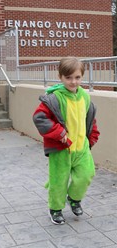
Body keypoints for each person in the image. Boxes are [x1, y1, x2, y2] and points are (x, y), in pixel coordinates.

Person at [33, 57, 100, 225]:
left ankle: (74, 198)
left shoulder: (85, 97)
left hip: (81, 147)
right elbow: (39, 118)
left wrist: (92, 137)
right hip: (62, 148)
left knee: (86, 174)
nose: (73, 81)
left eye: (77, 77)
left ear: (82, 77)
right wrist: (58, 131)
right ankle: (55, 209)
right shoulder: (54, 98)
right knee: (58, 180)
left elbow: (90, 119)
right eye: (68, 77)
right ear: (60, 77)